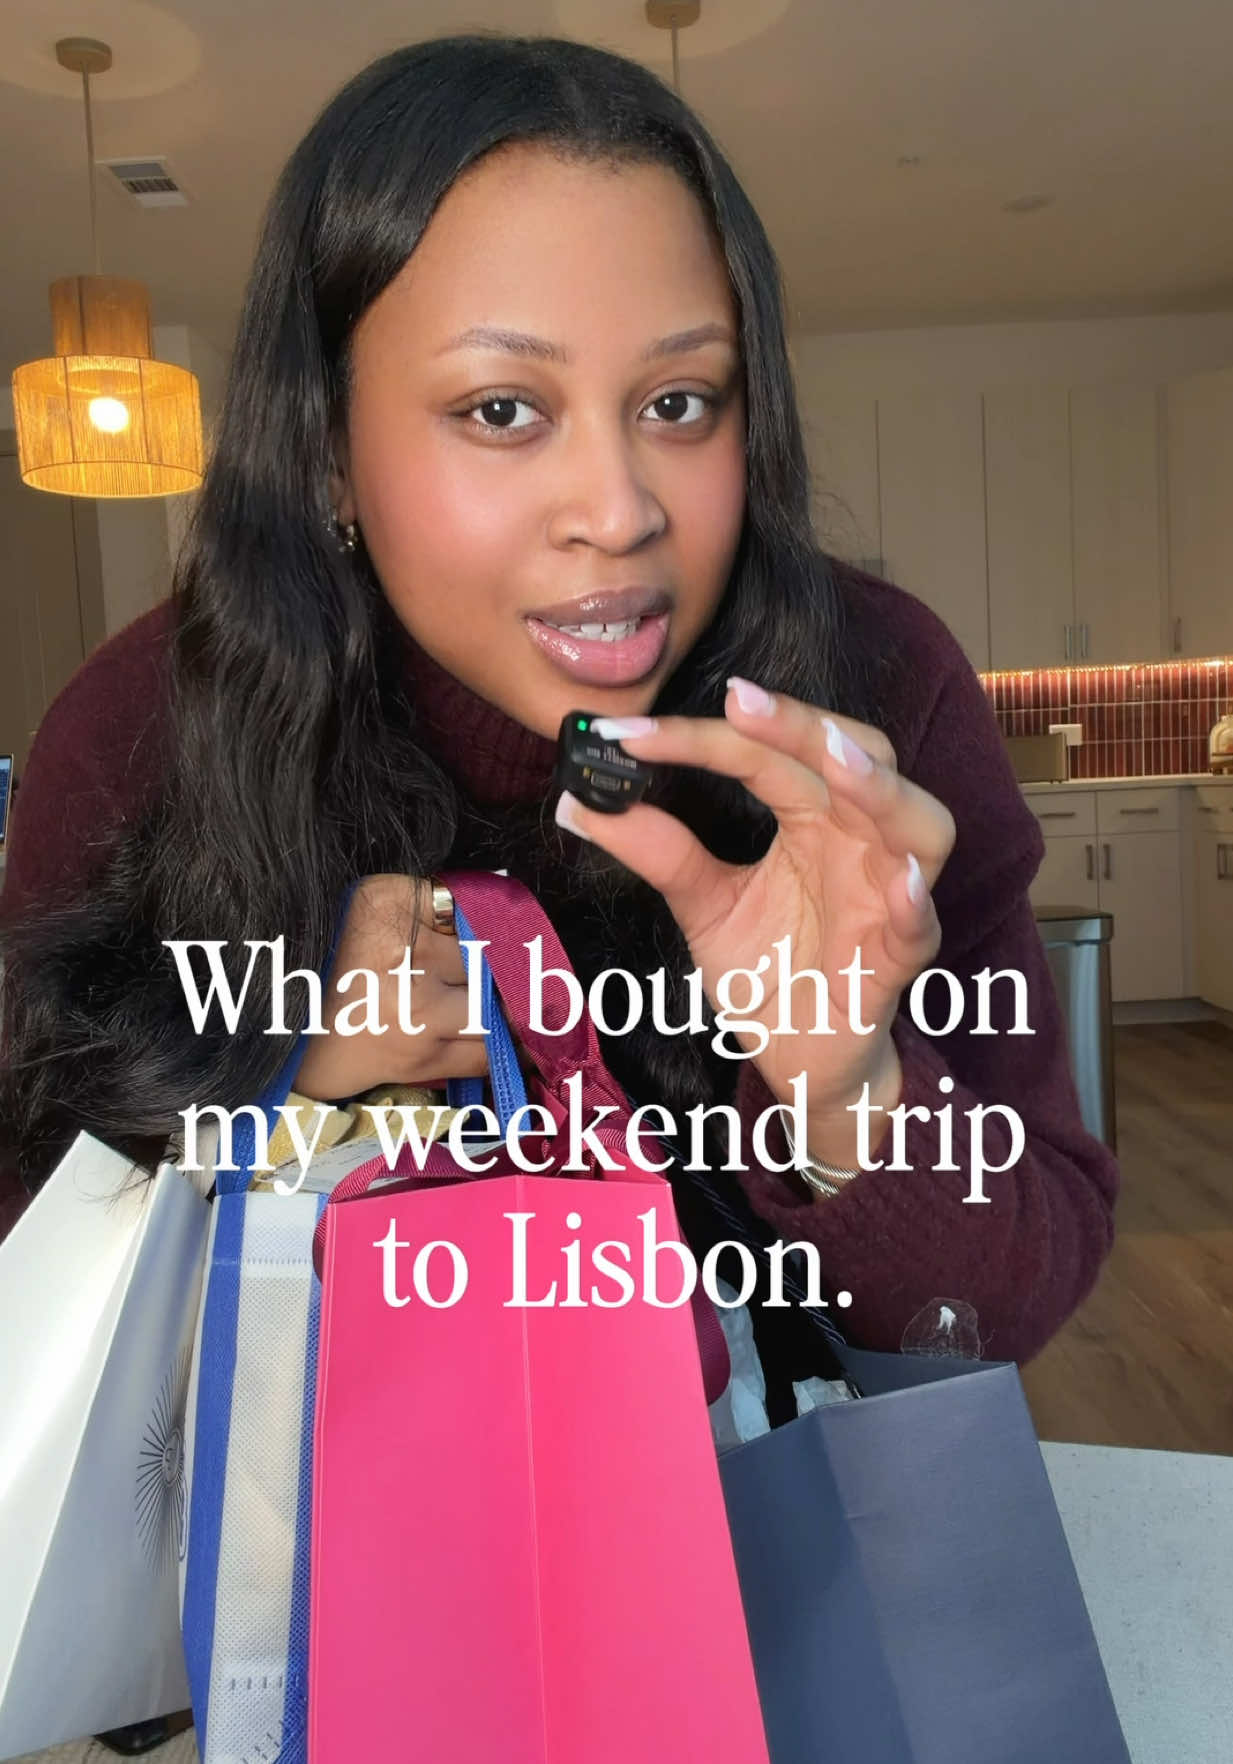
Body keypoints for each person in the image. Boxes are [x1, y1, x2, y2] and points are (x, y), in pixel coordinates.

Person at [0, 33, 1117, 1392]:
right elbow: (35, 1289)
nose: (620, 509)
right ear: (329, 451)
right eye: (502, 408)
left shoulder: (872, 695)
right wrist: (263, 1065)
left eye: (678, 402)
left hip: (773, 1505)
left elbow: (1007, 1305)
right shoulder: (143, 729)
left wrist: (843, 1088)